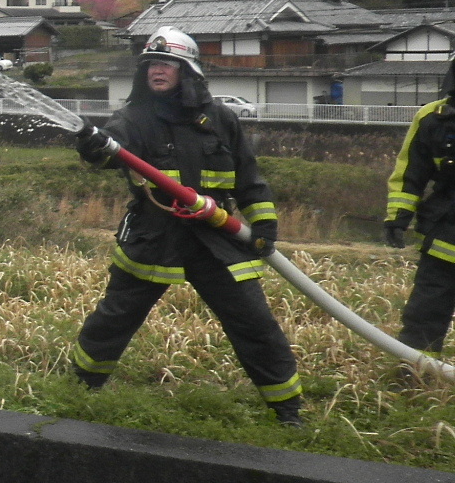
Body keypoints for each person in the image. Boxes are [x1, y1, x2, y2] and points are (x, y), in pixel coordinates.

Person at [71, 27, 306, 425]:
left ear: (187, 71)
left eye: (166, 64)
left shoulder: (221, 119)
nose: (156, 71)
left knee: (255, 323)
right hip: (155, 235)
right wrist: (93, 146)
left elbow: (249, 175)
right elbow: (112, 150)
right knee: (115, 317)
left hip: (217, 237)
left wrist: (263, 223)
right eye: (150, 64)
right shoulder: (135, 117)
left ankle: (288, 410)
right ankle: (79, 388)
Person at [382, 60, 455, 355]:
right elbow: (411, 172)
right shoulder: (433, 118)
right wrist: (397, 218)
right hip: (446, 235)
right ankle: (416, 374)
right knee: (425, 312)